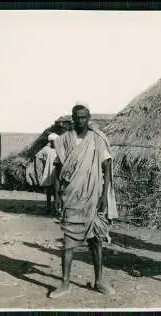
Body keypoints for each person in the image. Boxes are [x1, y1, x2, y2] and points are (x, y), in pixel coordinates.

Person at [49, 104, 118, 299]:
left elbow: (107, 167)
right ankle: (65, 283)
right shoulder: (64, 141)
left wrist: (104, 195)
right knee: (68, 242)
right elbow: (58, 170)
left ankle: (99, 280)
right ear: (72, 118)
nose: (80, 120)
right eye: (77, 117)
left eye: (84, 117)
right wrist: (56, 197)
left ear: (88, 118)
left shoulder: (97, 139)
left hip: (94, 197)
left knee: (96, 240)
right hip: (71, 196)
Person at [35, 133, 59, 214]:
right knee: (48, 191)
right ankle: (48, 208)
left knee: (57, 191)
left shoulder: (60, 149)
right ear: (50, 142)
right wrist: (44, 163)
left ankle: (56, 208)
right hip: (48, 171)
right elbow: (39, 156)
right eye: (53, 141)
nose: (55, 143)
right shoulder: (46, 149)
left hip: (57, 172)